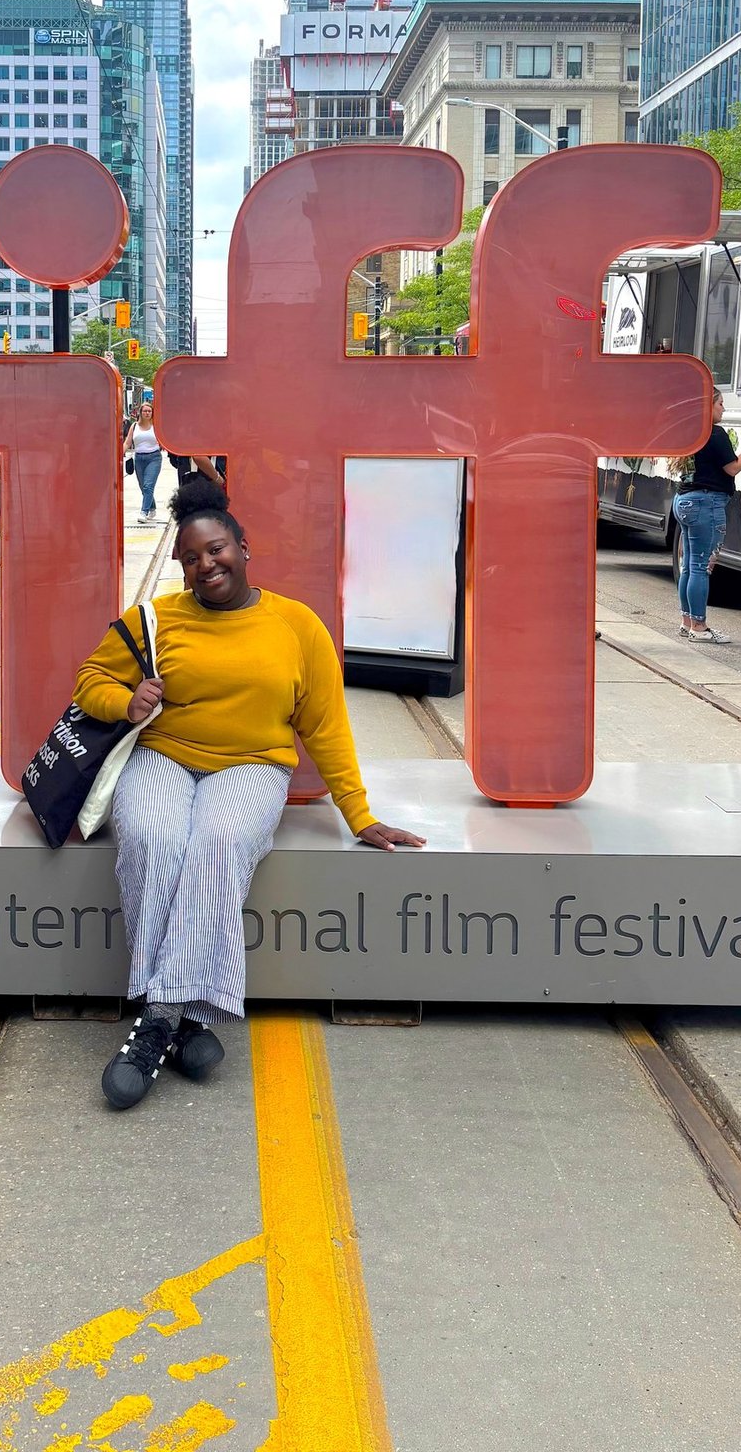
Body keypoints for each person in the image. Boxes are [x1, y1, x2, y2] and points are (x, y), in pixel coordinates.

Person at [73, 476, 425, 1110]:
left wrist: (359, 814)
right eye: (190, 558)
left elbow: (325, 726)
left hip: (254, 766)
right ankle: (186, 1021)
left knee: (217, 845)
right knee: (151, 837)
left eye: (216, 550)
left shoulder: (296, 625)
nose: (205, 565)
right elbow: (91, 679)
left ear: (243, 548)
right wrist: (126, 701)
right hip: (162, 755)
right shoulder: (156, 619)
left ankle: (157, 1020)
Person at [674, 391, 741, 645]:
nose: (723, 408)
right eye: (720, 403)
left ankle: (687, 622)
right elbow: (733, 468)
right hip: (706, 503)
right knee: (700, 567)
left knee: (689, 566)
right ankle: (699, 627)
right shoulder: (715, 434)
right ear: (708, 407)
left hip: (684, 500)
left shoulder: (691, 432)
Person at [123, 401, 164, 523]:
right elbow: (127, 442)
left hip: (154, 458)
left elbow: (164, 439)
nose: (147, 413)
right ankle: (152, 507)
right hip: (139, 458)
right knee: (143, 487)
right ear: (140, 413)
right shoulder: (134, 426)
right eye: (145, 411)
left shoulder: (156, 426)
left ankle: (144, 512)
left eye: (149, 411)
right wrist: (119, 454)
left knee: (148, 485)